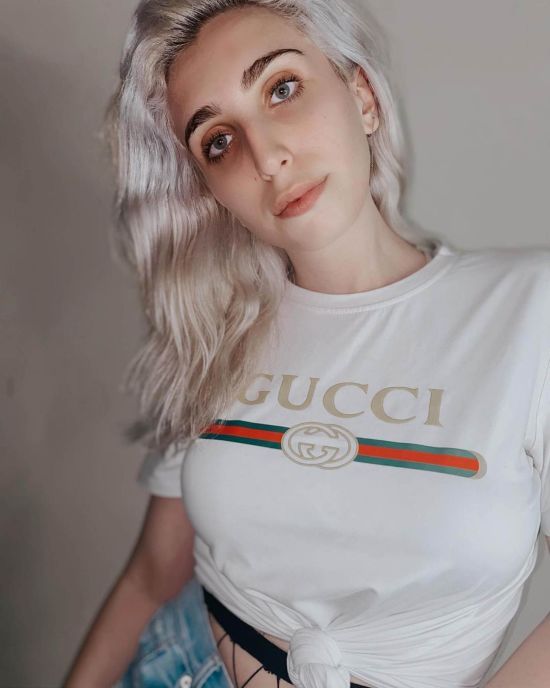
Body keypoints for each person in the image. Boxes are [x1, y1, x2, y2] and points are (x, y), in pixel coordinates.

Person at [64, 1, 550, 687]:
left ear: (363, 97)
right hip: (177, 668)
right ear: (211, 191)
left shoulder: (531, 309)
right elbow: (150, 577)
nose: (267, 157)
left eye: (282, 88)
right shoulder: (220, 332)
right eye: (219, 141)